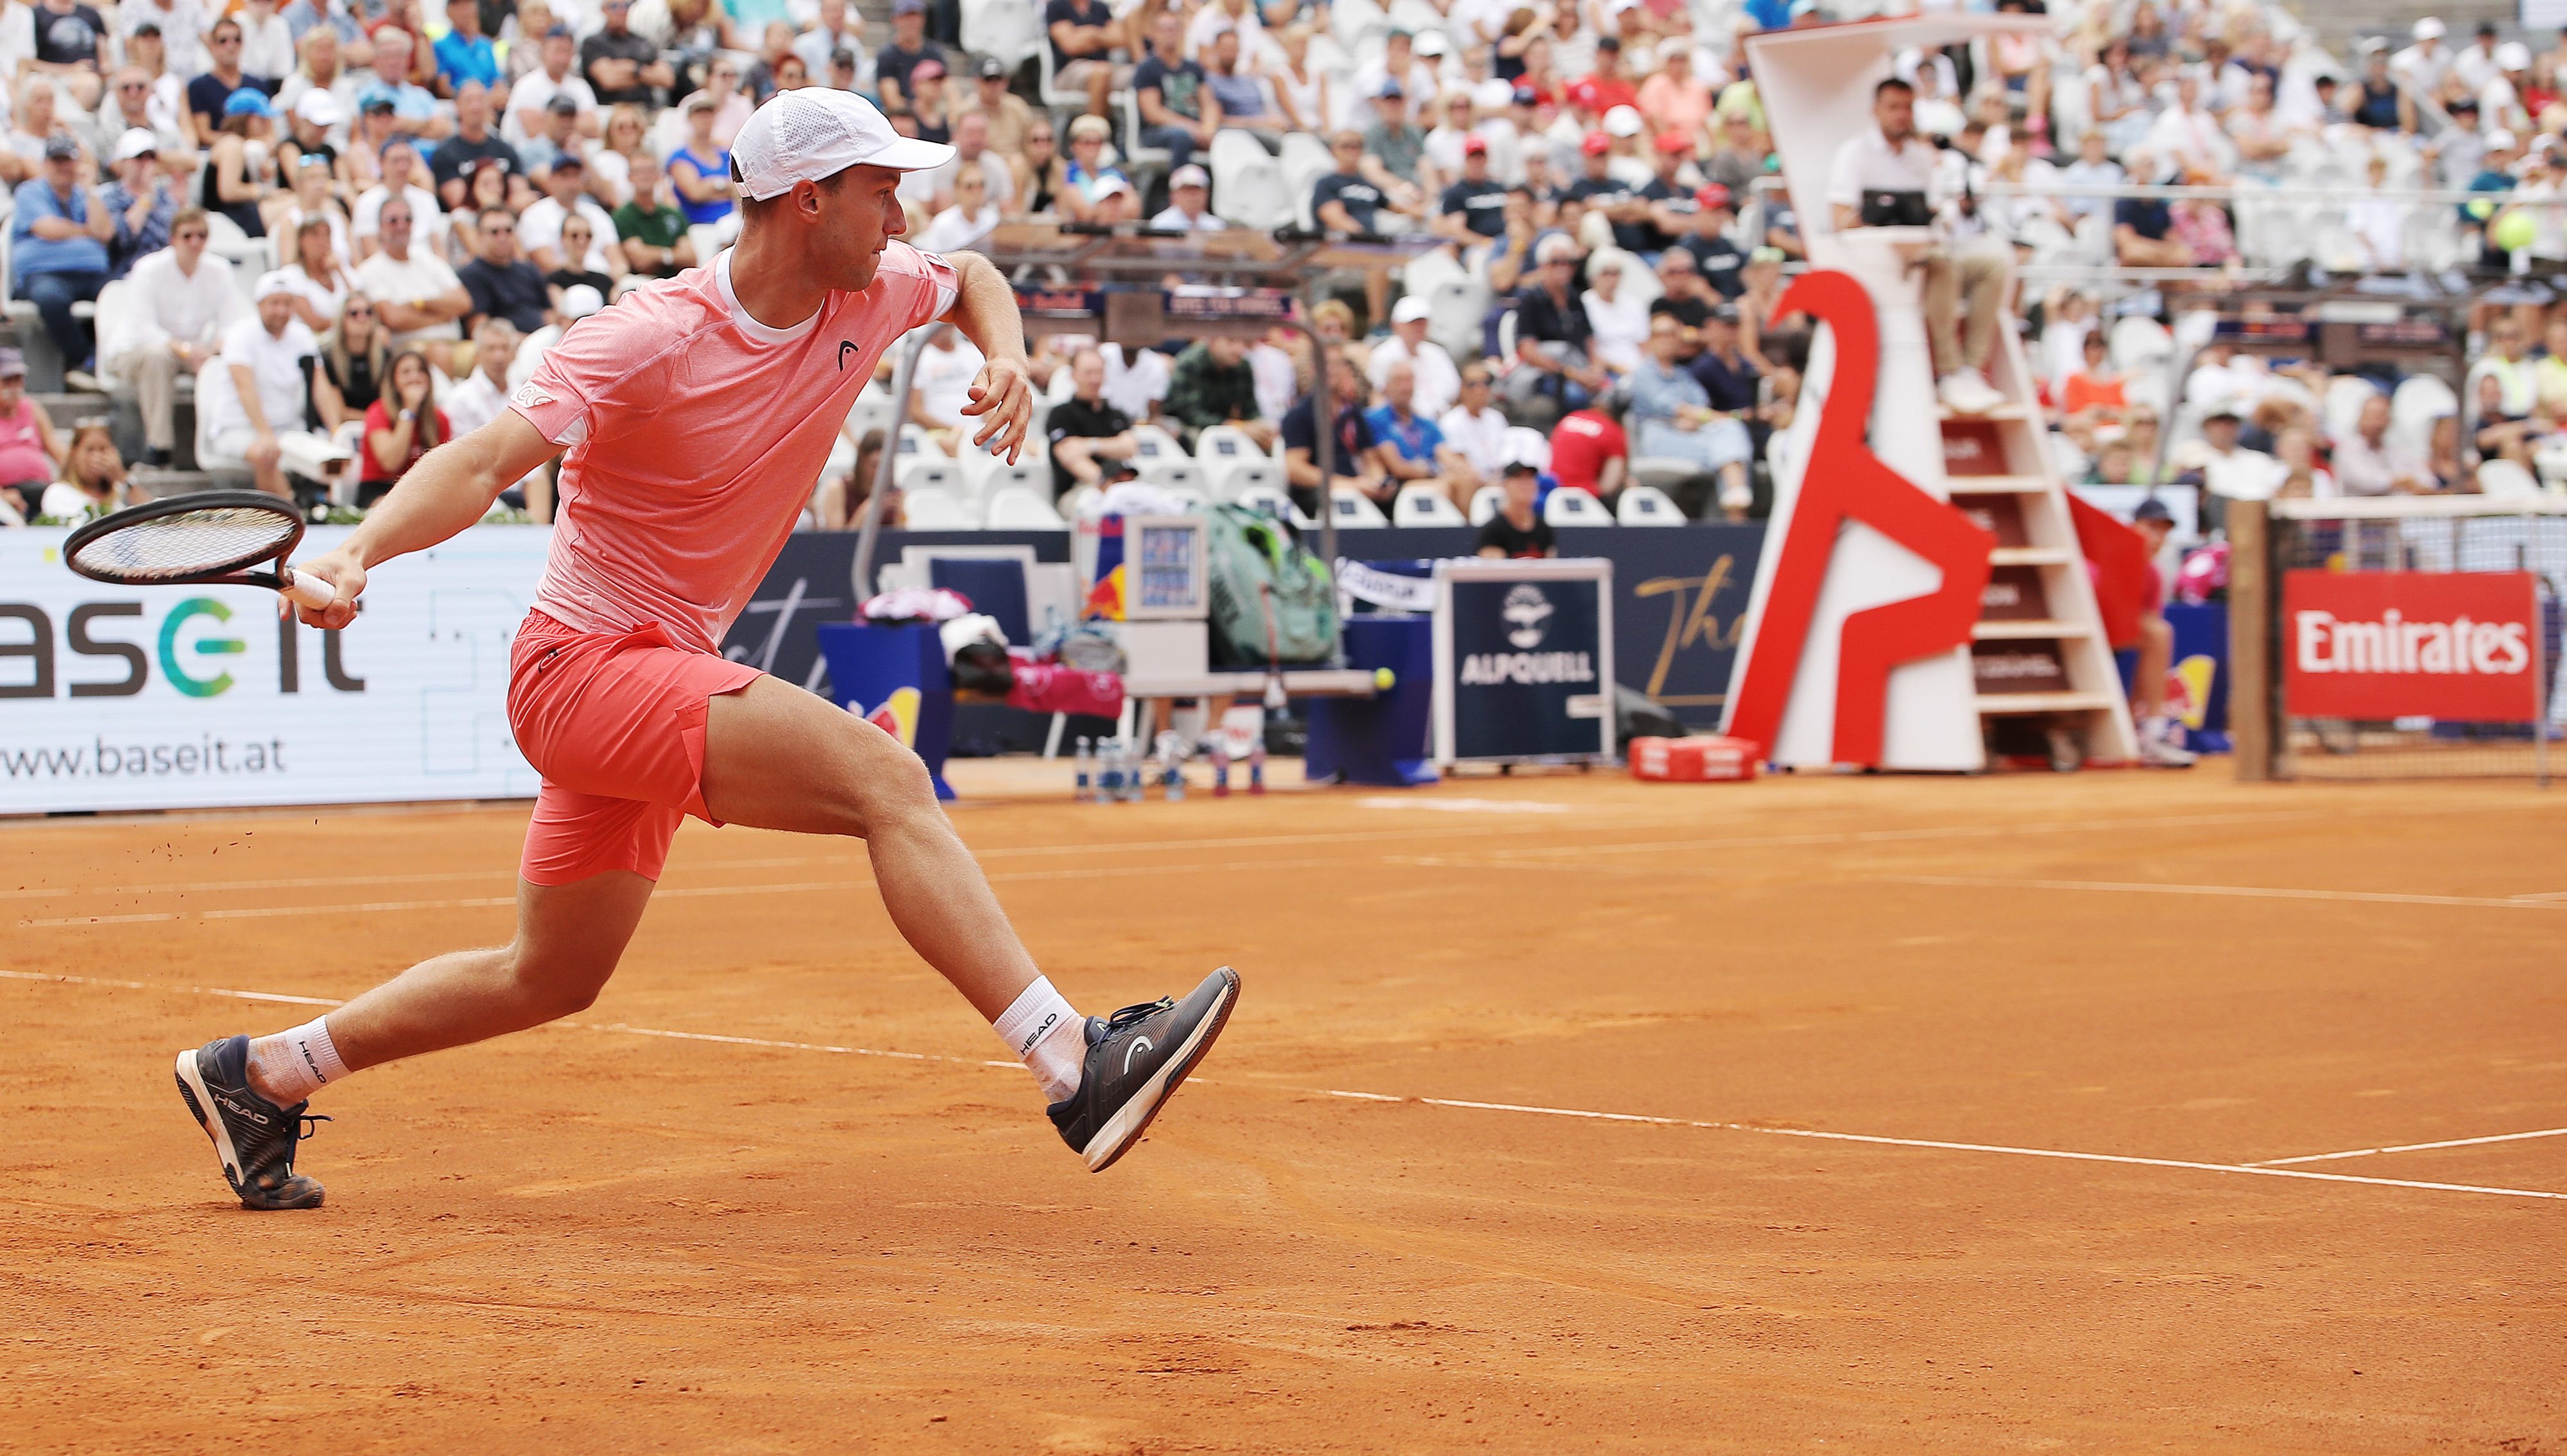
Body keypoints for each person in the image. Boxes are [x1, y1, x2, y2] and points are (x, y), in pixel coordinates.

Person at [178, 89, 1237, 1213]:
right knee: (887, 778)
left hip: (649, 669)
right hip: (581, 668)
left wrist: (1012, 358)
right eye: (880, 187)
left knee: (552, 974)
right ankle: (1069, 1059)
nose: (899, 209)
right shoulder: (650, 334)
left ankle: (261, 1074)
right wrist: (357, 555)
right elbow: (487, 461)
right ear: (808, 199)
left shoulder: (869, 289)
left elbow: (972, 272)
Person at [1826, 76, 2007, 415]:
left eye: (1907, 108)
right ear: (1875, 111)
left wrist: (1939, 218)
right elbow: (1840, 218)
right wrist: (1884, 230)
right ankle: (1949, 372)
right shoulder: (1854, 153)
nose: (1901, 116)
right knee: (1942, 262)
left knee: (1995, 261)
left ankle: (1971, 368)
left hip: (1925, 249)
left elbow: (1939, 214)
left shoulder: (1922, 158)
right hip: (1877, 258)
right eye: (1893, 107)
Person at [105, 208, 241, 466]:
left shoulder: (219, 270)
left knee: (228, 363)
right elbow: (144, 327)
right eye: (188, 235)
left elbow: (230, 325)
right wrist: (188, 350)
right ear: (173, 239)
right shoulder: (148, 269)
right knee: (158, 357)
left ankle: (220, 443)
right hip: (133, 350)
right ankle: (159, 447)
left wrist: (211, 351)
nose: (195, 242)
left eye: (202, 235)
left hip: (189, 352)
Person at [203, 271, 323, 497]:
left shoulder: (302, 336)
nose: (281, 310)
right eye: (274, 303)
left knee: (333, 453)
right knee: (266, 453)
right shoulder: (240, 334)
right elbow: (244, 387)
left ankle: (332, 515)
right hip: (237, 427)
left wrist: (336, 428)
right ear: (259, 304)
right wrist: (265, 434)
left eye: (287, 303)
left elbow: (321, 386)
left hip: (288, 428)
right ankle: (290, 517)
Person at [1627, 313, 1751, 518]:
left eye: (1672, 334)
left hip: (1692, 435)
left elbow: (1700, 405)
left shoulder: (1683, 375)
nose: (1667, 339)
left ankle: (1734, 500)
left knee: (1731, 433)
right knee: (1729, 445)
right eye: (1660, 334)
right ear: (1650, 340)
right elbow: (1674, 408)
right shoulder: (1643, 373)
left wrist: (1695, 417)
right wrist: (1697, 416)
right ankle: (1737, 513)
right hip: (1659, 439)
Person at [11, 136, 114, 381]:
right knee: (51, 299)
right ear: (46, 163)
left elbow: (106, 232)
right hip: (45, 272)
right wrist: (86, 231)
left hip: (91, 273)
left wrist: (90, 191)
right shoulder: (31, 191)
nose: (62, 167)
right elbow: (48, 229)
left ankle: (105, 361)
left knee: (118, 293)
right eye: (57, 160)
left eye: (67, 161)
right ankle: (84, 360)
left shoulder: (85, 196)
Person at [353, 196, 470, 355]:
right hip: (409, 352)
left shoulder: (429, 260)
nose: (401, 226)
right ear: (381, 226)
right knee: (440, 353)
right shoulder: (369, 270)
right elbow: (394, 318)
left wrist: (418, 304)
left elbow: (464, 303)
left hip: (454, 344)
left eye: (407, 219)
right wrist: (443, 315)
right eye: (393, 221)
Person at [1281, 347, 1384, 516]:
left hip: (1356, 487)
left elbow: (1371, 458)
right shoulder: (1300, 414)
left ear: (1346, 370)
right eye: (1324, 363)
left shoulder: (1352, 412)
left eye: (1336, 364)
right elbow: (1295, 469)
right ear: (1312, 370)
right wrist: (1349, 485)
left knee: (1398, 498)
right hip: (1316, 494)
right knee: (1338, 500)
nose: (1330, 370)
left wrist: (1377, 482)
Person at [354, 345, 446, 503]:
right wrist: (409, 411)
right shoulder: (378, 412)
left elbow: (442, 469)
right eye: (406, 372)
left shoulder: (440, 418)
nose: (415, 377)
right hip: (380, 490)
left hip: (421, 491)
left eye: (421, 371)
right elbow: (390, 463)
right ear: (394, 381)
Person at [1045, 346, 1137, 498]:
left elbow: (1130, 447)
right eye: (1088, 373)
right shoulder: (1061, 414)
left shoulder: (1115, 414)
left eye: (1099, 372)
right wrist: (1106, 483)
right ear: (1073, 375)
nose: (1095, 379)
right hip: (1079, 491)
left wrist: (1089, 445)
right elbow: (1069, 455)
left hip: (1122, 486)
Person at [1133, 8, 1218, 174]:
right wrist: (1193, 128)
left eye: (1174, 28)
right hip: (1158, 131)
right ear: (1154, 34)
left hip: (1194, 126)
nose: (1170, 34)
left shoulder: (1194, 68)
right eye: (1164, 29)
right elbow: (1153, 113)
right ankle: (1181, 185)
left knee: (1227, 137)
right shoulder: (1147, 69)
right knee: (1181, 137)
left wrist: (1209, 128)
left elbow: (1209, 103)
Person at [1162, 334, 1266, 449]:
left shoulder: (1243, 366)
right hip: (1185, 427)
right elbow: (1190, 414)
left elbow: (1250, 408)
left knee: (1264, 438)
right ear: (1212, 341)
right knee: (1198, 439)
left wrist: (1260, 427)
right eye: (1231, 341)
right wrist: (1235, 426)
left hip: (1225, 426)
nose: (1239, 349)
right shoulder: (1191, 362)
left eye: (1244, 343)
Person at [99, 128, 177, 279]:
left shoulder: (165, 198)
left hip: (165, 274)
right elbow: (123, 237)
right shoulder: (109, 196)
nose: (145, 164)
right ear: (123, 162)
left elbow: (173, 237)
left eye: (151, 157)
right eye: (139, 157)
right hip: (126, 273)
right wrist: (146, 197)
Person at [457, 205, 549, 332]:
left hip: (542, 339)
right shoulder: (470, 275)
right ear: (479, 235)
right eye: (495, 232)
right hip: (505, 345)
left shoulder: (529, 269)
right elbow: (478, 327)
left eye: (508, 231)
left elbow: (549, 312)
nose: (502, 237)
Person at [0, 350, 67, 520]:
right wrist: (3, 495)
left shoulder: (33, 409)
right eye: (7, 381)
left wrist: (70, 481)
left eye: (18, 380)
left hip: (42, 488)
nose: (13, 387)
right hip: (7, 492)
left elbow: (59, 453)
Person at [1368, 295, 1459, 419]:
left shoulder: (1437, 353)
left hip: (1443, 420)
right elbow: (1379, 396)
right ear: (1396, 325)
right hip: (1406, 422)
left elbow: (1454, 393)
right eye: (1412, 323)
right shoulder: (1382, 355)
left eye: (1422, 323)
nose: (1418, 328)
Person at [580, 0, 670, 108]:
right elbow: (609, 80)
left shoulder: (642, 42)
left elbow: (667, 79)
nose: (621, 11)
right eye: (615, 6)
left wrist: (634, 68)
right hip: (610, 110)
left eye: (626, 6)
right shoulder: (593, 43)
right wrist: (646, 75)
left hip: (645, 108)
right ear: (604, 10)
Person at [39, 420, 129, 520]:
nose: (97, 457)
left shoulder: (119, 492)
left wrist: (122, 477)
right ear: (74, 453)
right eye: (90, 450)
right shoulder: (58, 493)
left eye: (103, 449)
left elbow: (146, 518)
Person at [1474, 461, 1552, 558]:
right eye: (1519, 479)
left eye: (1530, 478)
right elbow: (1493, 569)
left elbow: (1550, 566)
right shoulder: (1493, 531)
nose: (1526, 484)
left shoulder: (1544, 529)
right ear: (1506, 485)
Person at [1148, 162, 1222, 232]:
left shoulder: (1216, 226)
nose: (1192, 196)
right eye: (1186, 191)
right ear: (1173, 195)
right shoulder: (1160, 224)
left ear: (1207, 194)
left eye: (1197, 190)